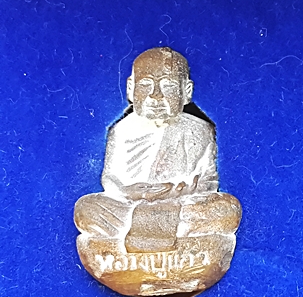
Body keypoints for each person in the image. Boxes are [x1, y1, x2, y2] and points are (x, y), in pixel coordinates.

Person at [74, 47, 241, 253]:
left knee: (226, 209)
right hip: (131, 206)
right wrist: (132, 192)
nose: (156, 96)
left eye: (168, 86)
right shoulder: (121, 131)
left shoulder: (200, 130)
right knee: (87, 209)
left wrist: (181, 191)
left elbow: (209, 182)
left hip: (180, 206)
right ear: (130, 89)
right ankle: (163, 232)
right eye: (145, 84)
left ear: (186, 92)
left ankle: (155, 231)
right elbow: (110, 180)